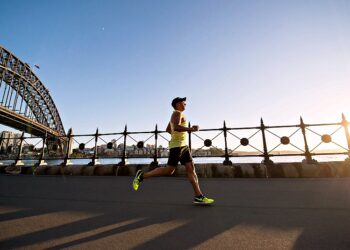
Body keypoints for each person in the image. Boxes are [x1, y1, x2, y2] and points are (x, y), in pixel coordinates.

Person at [132, 97, 214, 204]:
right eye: (183, 102)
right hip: (177, 147)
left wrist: (177, 136)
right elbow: (175, 127)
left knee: (191, 169)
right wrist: (191, 129)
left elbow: (168, 129)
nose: (185, 104)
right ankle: (141, 176)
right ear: (178, 104)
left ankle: (198, 196)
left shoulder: (177, 114)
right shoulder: (177, 113)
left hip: (183, 146)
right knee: (169, 170)